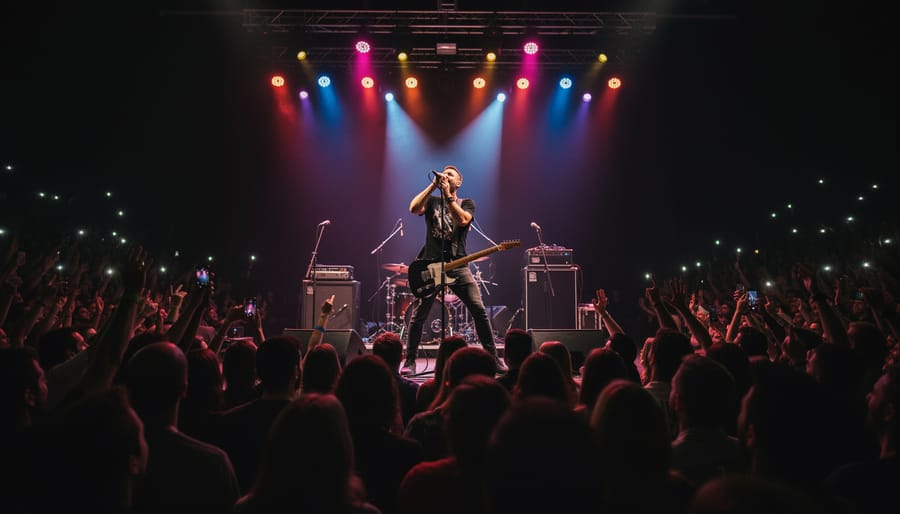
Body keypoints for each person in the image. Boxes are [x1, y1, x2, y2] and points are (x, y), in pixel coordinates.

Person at [401, 165, 505, 374]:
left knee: (479, 310)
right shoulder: (432, 202)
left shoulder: (466, 203)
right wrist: (433, 185)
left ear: (459, 183)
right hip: (431, 264)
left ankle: (493, 358)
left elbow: (463, 220)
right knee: (418, 315)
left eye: (451, 175)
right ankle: (410, 361)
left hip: (458, 265)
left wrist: (448, 194)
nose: (445, 177)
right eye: (444, 174)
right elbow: (413, 208)